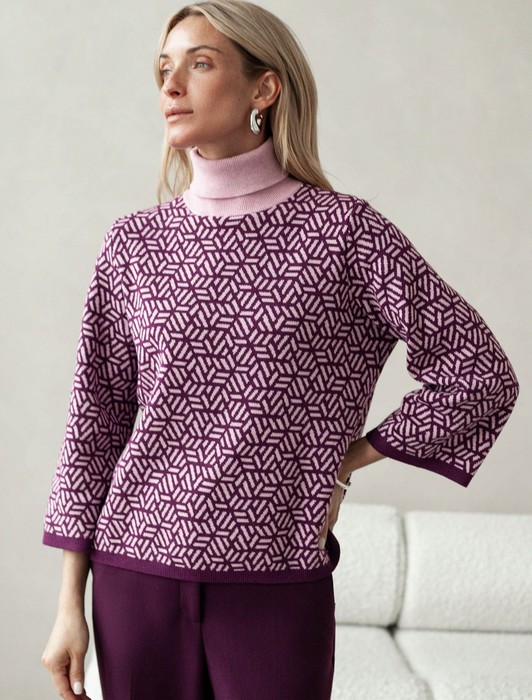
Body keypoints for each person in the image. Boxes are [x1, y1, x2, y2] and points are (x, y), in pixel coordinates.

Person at [40, 1, 520, 698]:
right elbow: (95, 422)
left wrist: (346, 461)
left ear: (263, 88)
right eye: (164, 68)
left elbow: (479, 372)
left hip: (276, 579)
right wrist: (68, 605)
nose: (171, 85)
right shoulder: (132, 244)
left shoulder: (346, 234)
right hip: (133, 576)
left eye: (200, 64)